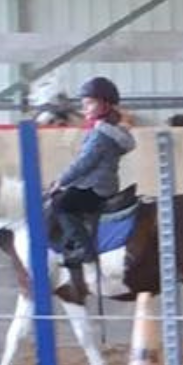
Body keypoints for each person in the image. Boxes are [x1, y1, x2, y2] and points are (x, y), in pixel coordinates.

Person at [50, 76, 134, 267]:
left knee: (61, 204)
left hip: (95, 186)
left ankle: (84, 249)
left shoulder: (101, 133)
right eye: (84, 104)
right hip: (103, 183)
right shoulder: (110, 130)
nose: (84, 108)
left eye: (89, 103)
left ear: (104, 105)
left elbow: (84, 163)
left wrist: (61, 181)